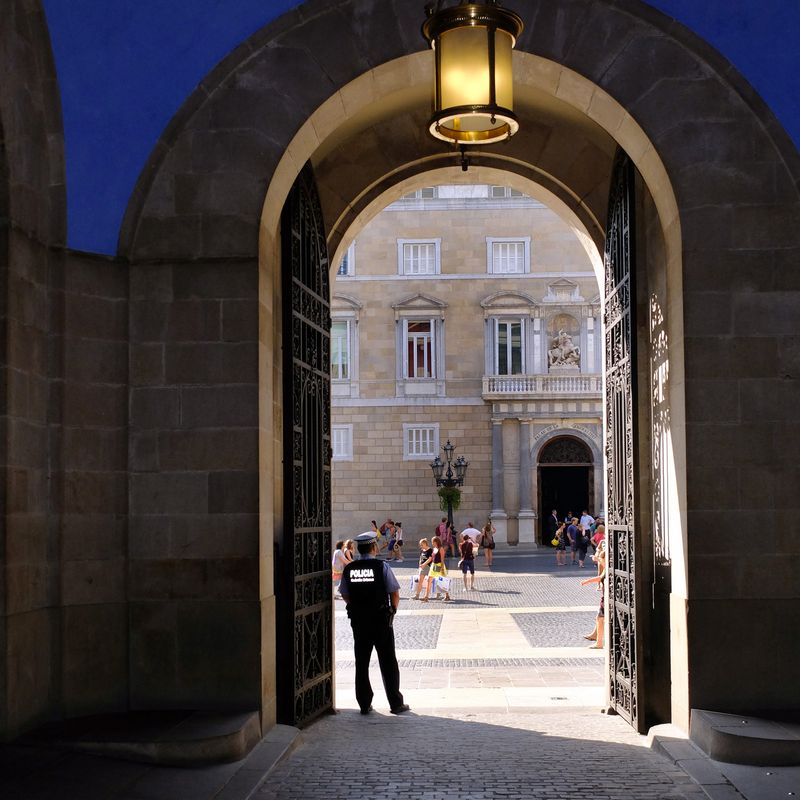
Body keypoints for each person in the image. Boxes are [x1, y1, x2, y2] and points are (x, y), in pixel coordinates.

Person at [339, 531, 410, 715]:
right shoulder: (381, 567)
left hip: (359, 621)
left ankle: (364, 703)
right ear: (373, 547)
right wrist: (393, 610)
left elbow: (345, 593)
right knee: (388, 661)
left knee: (361, 662)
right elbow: (394, 591)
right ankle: (395, 703)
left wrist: (356, 607)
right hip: (380, 620)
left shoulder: (350, 569)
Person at [581, 539, 606, 649]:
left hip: (607, 598)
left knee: (600, 619)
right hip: (605, 598)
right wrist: (587, 581)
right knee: (599, 618)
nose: (600, 561)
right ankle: (597, 640)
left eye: (602, 559)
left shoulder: (608, 568)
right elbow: (600, 577)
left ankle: (599, 642)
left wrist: (598, 558)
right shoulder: (606, 569)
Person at [422, 535, 451, 602]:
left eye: (433, 542)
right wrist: (425, 564)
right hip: (434, 565)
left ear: (436, 542)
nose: (432, 543)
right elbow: (432, 558)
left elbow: (442, 559)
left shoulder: (441, 548)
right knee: (429, 579)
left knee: (443, 581)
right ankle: (426, 597)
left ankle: (447, 595)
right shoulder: (434, 549)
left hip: (439, 565)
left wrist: (442, 568)